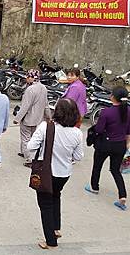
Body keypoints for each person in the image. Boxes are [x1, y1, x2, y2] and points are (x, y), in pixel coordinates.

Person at [28, 98, 83, 249]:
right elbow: (78, 156)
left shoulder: (46, 127)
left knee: (45, 205)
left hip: (46, 173)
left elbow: (31, 146)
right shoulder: (77, 133)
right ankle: (56, 228)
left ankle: (50, 240)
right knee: (56, 196)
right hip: (64, 174)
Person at [85, 87, 129, 211]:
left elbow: (99, 130)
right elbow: (128, 131)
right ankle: (122, 196)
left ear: (113, 97)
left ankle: (94, 187)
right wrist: (127, 144)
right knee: (115, 170)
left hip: (105, 144)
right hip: (120, 145)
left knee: (97, 165)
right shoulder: (128, 111)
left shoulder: (106, 112)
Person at [13, 69, 49, 167]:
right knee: (33, 138)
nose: (26, 78)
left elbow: (25, 106)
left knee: (25, 138)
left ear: (33, 78)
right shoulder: (44, 88)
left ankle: (30, 159)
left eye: (28, 76)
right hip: (38, 118)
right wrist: (48, 116)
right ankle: (26, 153)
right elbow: (46, 104)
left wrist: (17, 118)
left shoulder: (30, 89)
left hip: (28, 118)